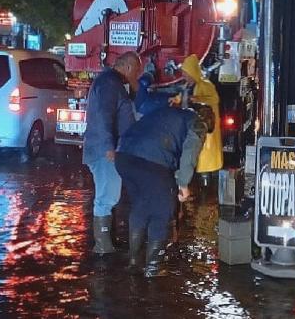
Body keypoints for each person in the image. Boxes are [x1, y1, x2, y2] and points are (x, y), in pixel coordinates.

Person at [115, 104, 215, 277]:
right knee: (162, 211)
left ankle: (133, 261)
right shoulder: (198, 123)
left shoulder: (169, 111)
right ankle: (153, 267)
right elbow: (189, 152)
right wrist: (183, 184)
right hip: (151, 161)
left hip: (124, 156)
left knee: (141, 205)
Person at [83, 51, 143, 255]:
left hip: (107, 148)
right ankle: (102, 246)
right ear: (127, 67)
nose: (137, 75)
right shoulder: (109, 83)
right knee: (106, 196)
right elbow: (103, 115)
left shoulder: (113, 82)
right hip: (104, 150)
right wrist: (109, 146)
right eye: (136, 71)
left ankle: (108, 241)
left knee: (109, 195)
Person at [180, 54, 223, 173]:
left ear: (192, 72)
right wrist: (176, 99)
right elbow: (183, 97)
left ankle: (205, 179)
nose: (183, 76)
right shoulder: (188, 85)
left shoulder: (205, 84)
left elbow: (214, 99)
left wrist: (199, 99)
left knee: (204, 154)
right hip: (192, 123)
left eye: (185, 72)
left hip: (205, 124)